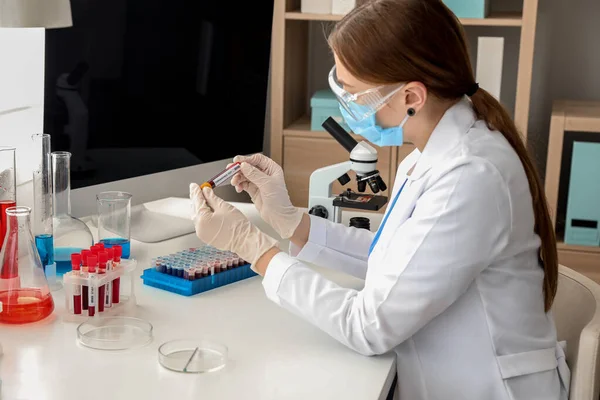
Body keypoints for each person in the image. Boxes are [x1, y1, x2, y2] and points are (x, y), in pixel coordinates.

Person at [189, 0, 570, 399]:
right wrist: (290, 221)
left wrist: (255, 249)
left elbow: (369, 327)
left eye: (354, 95)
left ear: (412, 96)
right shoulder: (434, 149)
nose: (346, 106)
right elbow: (394, 260)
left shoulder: (470, 176)